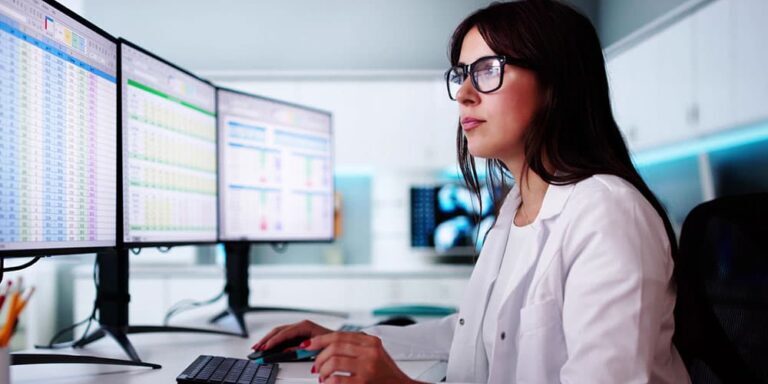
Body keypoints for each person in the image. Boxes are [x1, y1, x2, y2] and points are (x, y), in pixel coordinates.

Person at [252, 1, 691, 382]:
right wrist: (347, 340)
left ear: (556, 83)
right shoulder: (516, 210)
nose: (463, 94)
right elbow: (472, 332)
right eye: (462, 74)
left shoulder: (608, 213)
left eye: (487, 71)